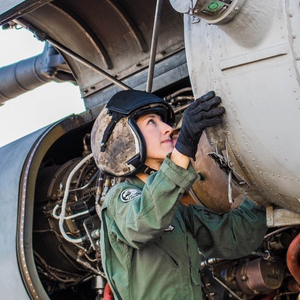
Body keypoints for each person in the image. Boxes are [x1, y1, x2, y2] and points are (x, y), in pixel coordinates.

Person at [91, 90, 267, 300]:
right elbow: (143, 223)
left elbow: (235, 237)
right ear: (126, 139)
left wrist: (262, 189)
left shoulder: (176, 209)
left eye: (163, 122)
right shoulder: (120, 198)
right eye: (151, 122)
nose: (167, 129)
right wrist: (184, 147)